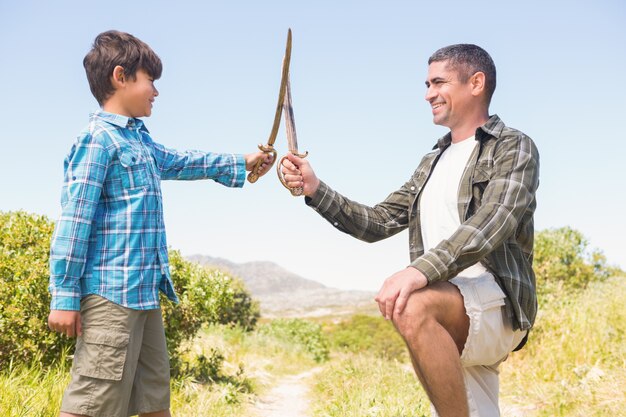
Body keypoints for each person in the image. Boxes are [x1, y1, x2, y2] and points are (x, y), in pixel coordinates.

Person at [281, 44, 539, 417]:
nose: (428, 94)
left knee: (412, 305)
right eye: (427, 84)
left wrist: (418, 272)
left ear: (476, 83)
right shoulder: (432, 160)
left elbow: (493, 222)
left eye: (438, 82)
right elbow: (377, 221)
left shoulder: (514, 147)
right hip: (453, 302)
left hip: (497, 300)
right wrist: (315, 188)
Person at [47, 30, 273, 417]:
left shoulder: (139, 141)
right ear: (121, 77)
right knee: (91, 404)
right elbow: (74, 220)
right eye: (150, 80)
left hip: (145, 295)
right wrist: (64, 295)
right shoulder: (97, 140)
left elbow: (181, 161)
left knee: (154, 401)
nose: (156, 91)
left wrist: (242, 161)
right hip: (111, 296)